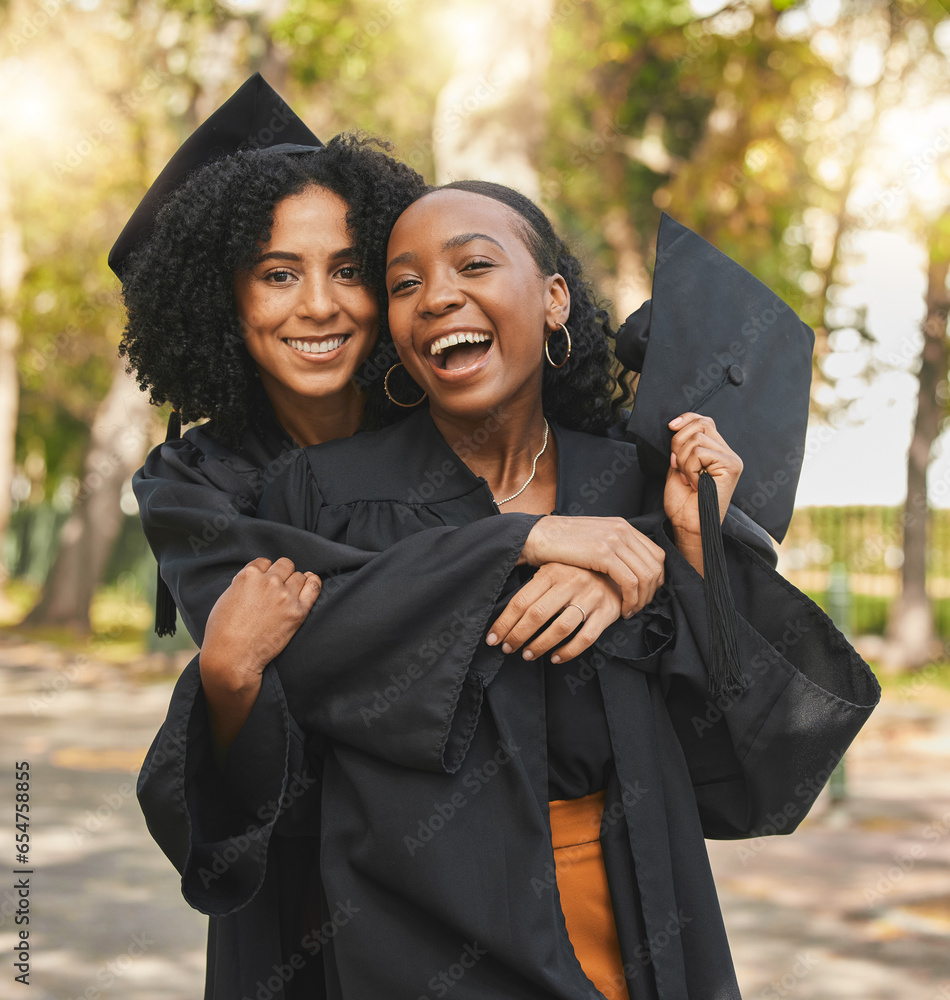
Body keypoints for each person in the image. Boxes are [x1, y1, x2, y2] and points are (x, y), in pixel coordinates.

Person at [192, 180, 878, 1000]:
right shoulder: (325, 493)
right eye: (404, 285)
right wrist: (513, 548)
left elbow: (744, 763)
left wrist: (688, 560)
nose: (437, 296)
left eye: (474, 263)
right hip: (408, 933)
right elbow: (300, 700)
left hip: (631, 919)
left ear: (554, 299)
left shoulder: (632, 487)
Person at [122, 79, 671, 999]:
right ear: (225, 300)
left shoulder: (453, 410)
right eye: (277, 273)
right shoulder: (197, 482)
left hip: (480, 872)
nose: (320, 306)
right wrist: (524, 546)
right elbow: (310, 641)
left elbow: (622, 500)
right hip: (308, 874)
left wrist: (621, 570)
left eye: (351, 271)